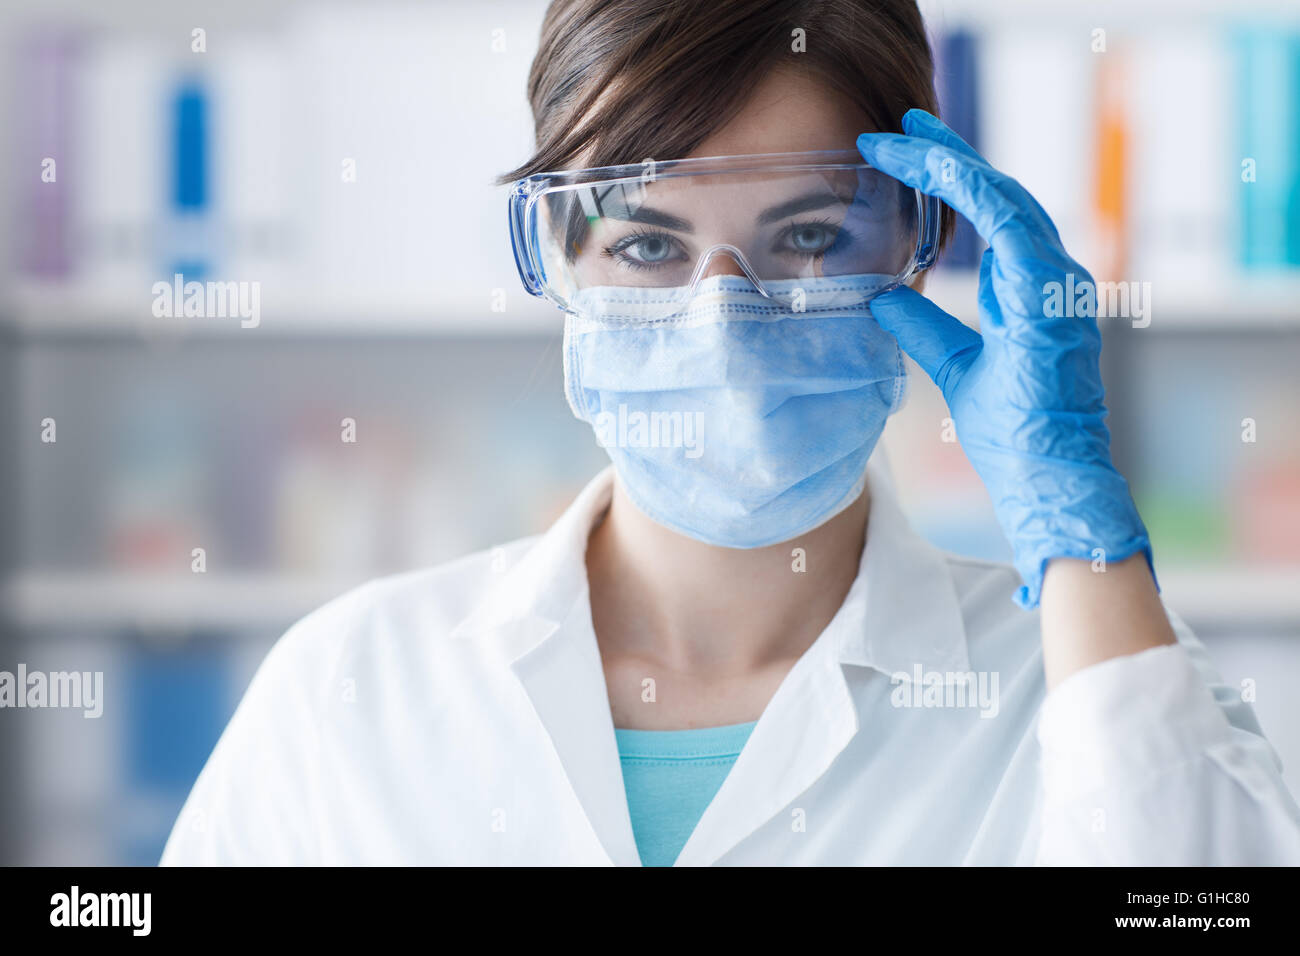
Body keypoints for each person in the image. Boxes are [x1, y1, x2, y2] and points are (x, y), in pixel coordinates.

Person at [162, 0, 1300, 866]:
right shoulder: (351, 690)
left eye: (807, 235)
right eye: (648, 244)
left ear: (918, 242)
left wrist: (1083, 538)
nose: (722, 317)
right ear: (562, 260)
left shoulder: (1086, 687)